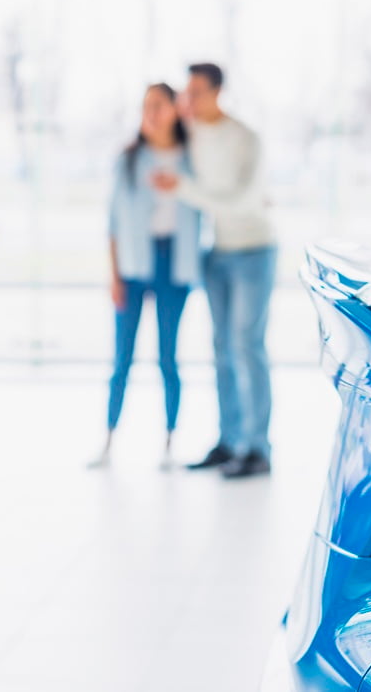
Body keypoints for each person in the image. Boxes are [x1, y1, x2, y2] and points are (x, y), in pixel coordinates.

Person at [152, 63, 276, 479]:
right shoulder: (190, 135)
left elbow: (243, 201)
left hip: (254, 249)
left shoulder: (245, 138)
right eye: (185, 93)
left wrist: (182, 189)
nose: (187, 101)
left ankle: (257, 448)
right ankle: (229, 442)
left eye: (196, 93)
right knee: (222, 348)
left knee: (246, 345)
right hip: (217, 252)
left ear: (217, 92)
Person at [92, 83, 201, 469]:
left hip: (175, 264)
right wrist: (114, 275)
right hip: (132, 266)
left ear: (174, 110)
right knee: (121, 358)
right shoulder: (128, 159)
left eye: (158, 105)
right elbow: (113, 222)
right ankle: (108, 442)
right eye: (145, 106)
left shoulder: (192, 158)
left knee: (168, 359)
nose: (150, 114)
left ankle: (170, 444)